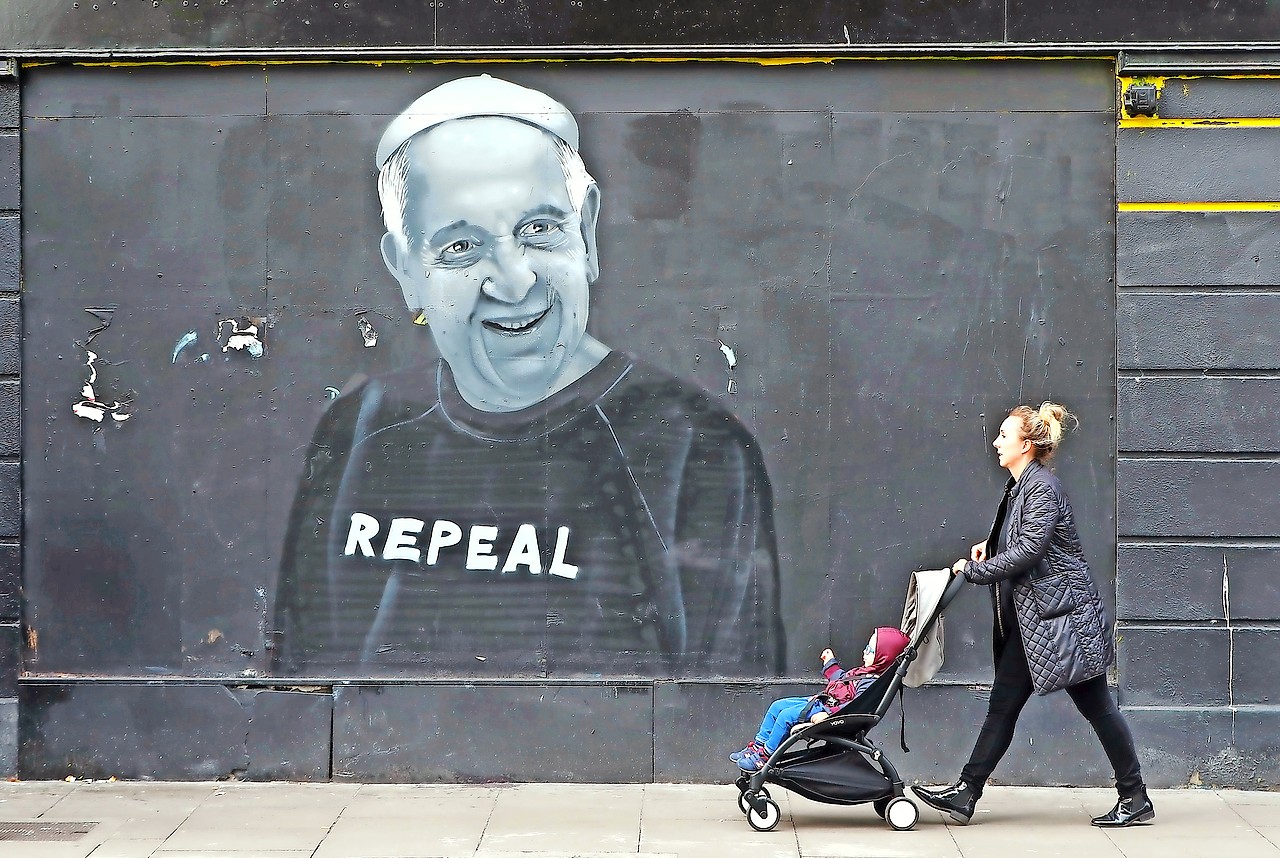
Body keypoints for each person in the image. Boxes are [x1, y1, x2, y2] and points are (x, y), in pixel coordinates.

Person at [272, 75, 783, 678]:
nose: (513, 282)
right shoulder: (361, 428)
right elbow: (303, 686)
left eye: (539, 231)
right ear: (405, 270)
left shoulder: (691, 447)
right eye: (462, 247)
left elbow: (724, 710)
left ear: (588, 233)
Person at [913, 402, 1154, 827]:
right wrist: (990, 550)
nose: (995, 442)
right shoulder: (1021, 486)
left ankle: (1134, 796)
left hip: (1061, 621)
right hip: (1038, 623)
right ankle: (967, 792)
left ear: (1026, 444)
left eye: (1003, 436)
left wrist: (974, 571)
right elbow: (1022, 541)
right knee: (1003, 707)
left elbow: (1030, 552)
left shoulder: (1041, 487)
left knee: (1097, 705)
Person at [732, 627, 910, 772]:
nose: (865, 651)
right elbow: (841, 680)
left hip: (828, 712)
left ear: (883, 657)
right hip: (822, 702)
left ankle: (764, 757)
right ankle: (757, 747)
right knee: (777, 706)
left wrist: (827, 715)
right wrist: (830, 662)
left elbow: (853, 706)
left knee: (787, 716)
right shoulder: (863, 673)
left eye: (871, 650)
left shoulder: (870, 684)